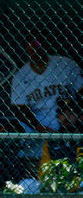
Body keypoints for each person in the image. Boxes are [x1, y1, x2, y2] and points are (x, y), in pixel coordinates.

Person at [10, 37, 82, 178]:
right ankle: (30, 176)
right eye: (29, 46)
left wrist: (79, 114)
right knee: (19, 129)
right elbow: (20, 109)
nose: (34, 49)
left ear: (45, 45)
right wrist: (39, 127)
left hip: (67, 114)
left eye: (37, 44)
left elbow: (81, 91)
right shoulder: (21, 75)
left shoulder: (65, 65)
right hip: (38, 119)